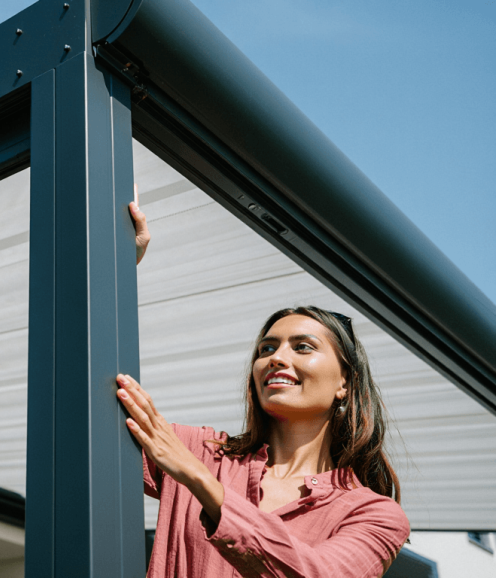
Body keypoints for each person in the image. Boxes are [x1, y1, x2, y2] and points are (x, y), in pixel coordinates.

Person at [120, 201, 410, 577]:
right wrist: (117, 268)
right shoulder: (200, 452)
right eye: (267, 349)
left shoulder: (372, 513)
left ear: (345, 383)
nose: (275, 358)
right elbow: (82, 412)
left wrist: (201, 482)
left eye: (302, 347)